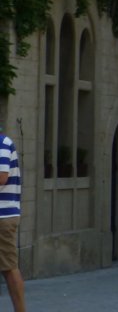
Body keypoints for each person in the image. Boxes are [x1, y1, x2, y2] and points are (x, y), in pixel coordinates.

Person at [0, 127, 25, 312]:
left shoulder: (1, 144)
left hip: (2, 216)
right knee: (8, 266)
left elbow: (1, 177)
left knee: (8, 267)